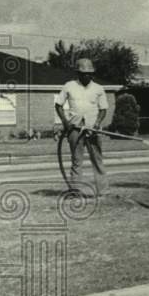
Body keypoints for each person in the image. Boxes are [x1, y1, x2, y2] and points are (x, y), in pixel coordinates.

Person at [54, 58, 108, 195]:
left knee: (97, 160)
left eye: (89, 73)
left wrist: (97, 124)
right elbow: (58, 105)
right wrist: (65, 122)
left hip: (93, 130)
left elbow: (103, 109)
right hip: (74, 129)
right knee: (77, 161)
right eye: (84, 73)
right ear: (78, 73)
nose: (87, 76)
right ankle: (75, 191)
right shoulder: (69, 86)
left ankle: (102, 191)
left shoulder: (98, 89)